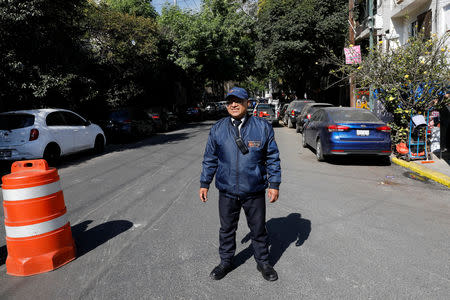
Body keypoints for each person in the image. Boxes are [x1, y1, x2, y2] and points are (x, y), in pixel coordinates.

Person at [199, 87, 282, 281]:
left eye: (238, 101)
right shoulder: (218, 128)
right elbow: (210, 158)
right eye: (230, 101)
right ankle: (226, 261)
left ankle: (263, 262)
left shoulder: (262, 127)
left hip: (254, 190)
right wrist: (205, 183)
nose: (233, 104)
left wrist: (275, 184)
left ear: (248, 103)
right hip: (227, 191)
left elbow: (272, 157)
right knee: (227, 229)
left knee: (258, 229)